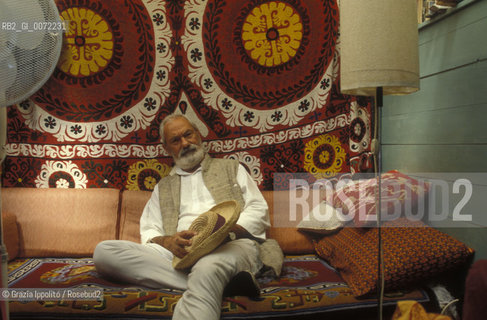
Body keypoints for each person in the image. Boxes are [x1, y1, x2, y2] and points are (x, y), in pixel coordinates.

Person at [93, 113, 283, 320]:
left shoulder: (231, 168)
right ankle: (221, 284)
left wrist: (224, 231)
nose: (185, 143)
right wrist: (169, 241)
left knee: (208, 266)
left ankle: (208, 277)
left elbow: (258, 209)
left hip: (231, 244)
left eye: (188, 134)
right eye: (176, 140)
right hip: (182, 253)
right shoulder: (163, 187)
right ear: (167, 149)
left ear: (198, 135)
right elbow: (150, 231)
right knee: (105, 252)